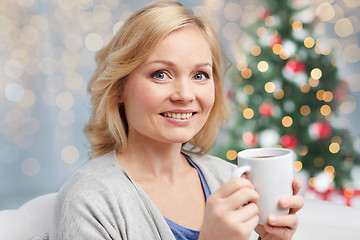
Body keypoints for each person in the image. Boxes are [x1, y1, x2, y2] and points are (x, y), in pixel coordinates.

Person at [50, 1, 304, 240]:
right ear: (118, 88)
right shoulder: (88, 199)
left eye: (200, 75)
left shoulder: (229, 179)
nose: (184, 95)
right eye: (160, 74)